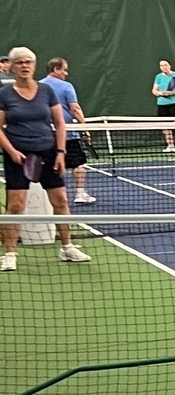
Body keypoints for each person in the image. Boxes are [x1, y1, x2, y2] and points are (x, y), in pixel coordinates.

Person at [0, 47, 92, 272]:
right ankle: (10, 253)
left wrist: (60, 153)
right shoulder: (4, 94)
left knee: (60, 201)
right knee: (15, 206)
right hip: (19, 155)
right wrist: (11, 151)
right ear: (12, 67)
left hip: (49, 153)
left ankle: (67, 247)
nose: (24, 65)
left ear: (33, 65)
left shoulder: (46, 91)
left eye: (28, 62)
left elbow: (60, 123)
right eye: (19, 62)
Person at [40, 57, 95, 205]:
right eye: (64, 69)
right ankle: (80, 193)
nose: (66, 73)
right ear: (56, 70)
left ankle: (47, 196)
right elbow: (75, 108)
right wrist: (84, 128)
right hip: (68, 133)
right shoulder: (66, 86)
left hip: (45, 134)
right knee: (78, 164)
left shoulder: (38, 86)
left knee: (48, 165)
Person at [152, 59, 175, 152]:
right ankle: (170, 146)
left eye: (165, 65)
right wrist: (161, 93)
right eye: (161, 65)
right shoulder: (158, 77)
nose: (164, 67)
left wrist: (171, 93)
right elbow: (154, 91)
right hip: (162, 104)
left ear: (169, 66)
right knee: (165, 126)